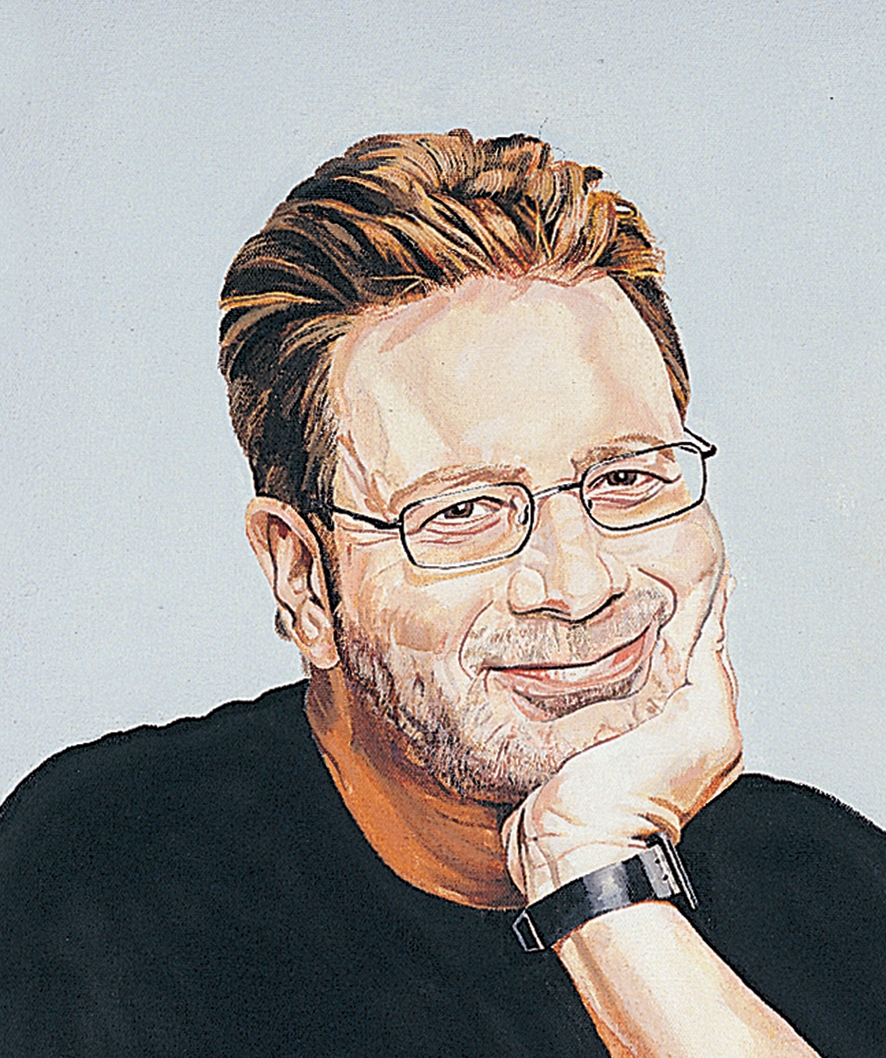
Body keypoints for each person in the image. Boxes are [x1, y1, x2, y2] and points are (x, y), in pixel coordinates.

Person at [1, 130, 884, 1057]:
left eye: (627, 479)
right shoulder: (97, 880)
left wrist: (594, 871)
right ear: (303, 576)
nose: (580, 585)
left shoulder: (835, 888)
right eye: (463, 512)